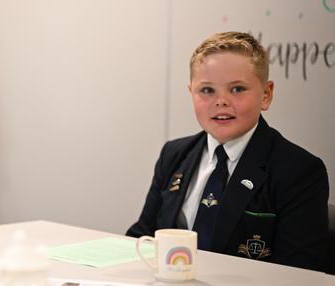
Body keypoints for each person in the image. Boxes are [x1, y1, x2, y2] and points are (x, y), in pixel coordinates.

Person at [126, 32, 329, 272]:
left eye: (237, 89)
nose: (221, 101)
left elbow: (300, 274)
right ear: (191, 92)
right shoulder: (174, 154)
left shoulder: (298, 171)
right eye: (207, 90)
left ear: (266, 94)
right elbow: (142, 236)